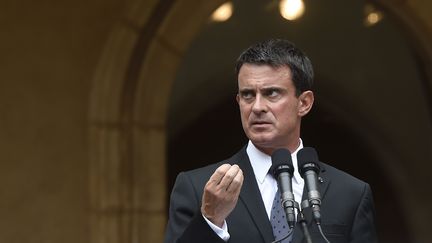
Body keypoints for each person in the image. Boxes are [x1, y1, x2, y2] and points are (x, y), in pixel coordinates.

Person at [164, 39, 378, 243]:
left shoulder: (351, 193)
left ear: (304, 103)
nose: (257, 107)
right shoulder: (200, 188)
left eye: (272, 93)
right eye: (247, 95)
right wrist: (210, 220)